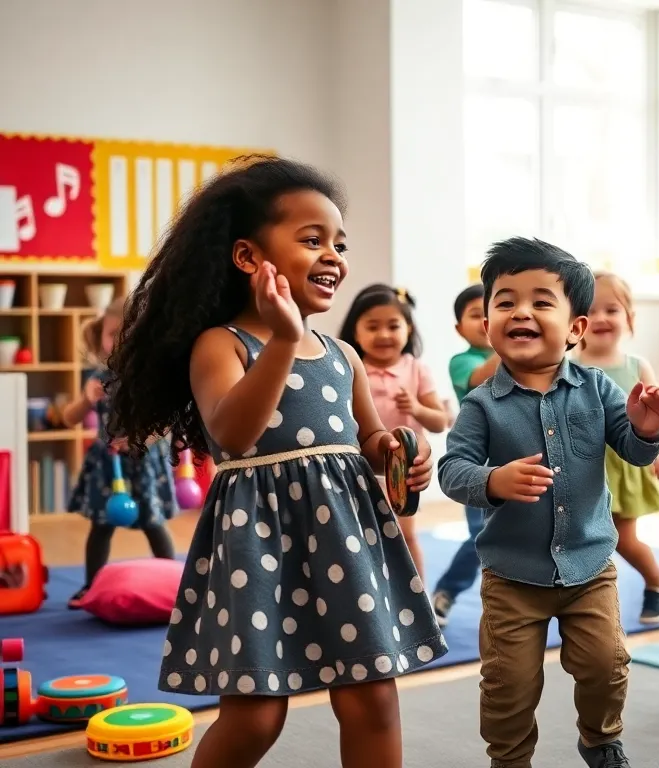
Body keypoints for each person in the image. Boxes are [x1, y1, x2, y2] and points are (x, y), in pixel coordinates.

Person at [107, 157, 441, 768]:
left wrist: (401, 452)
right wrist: (284, 341)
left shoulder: (342, 354)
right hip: (258, 543)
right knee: (258, 715)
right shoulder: (224, 343)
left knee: (373, 701)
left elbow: (369, 441)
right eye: (312, 240)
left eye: (339, 243)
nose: (333, 255)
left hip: (343, 541)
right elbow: (233, 433)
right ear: (247, 258)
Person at [437, 237, 659, 768]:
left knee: (606, 664)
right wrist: (494, 480)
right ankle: (510, 758)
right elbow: (451, 470)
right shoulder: (480, 406)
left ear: (576, 328)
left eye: (541, 301)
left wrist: (647, 428)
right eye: (505, 302)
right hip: (511, 576)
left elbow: (634, 450)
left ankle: (599, 738)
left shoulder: (599, 389)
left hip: (589, 566)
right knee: (507, 683)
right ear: (487, 325)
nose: (521, 311)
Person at [572, 271, 659, 623]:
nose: (601, 318)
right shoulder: (571, 367)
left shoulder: (636, 366)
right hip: (583, 468)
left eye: (611, 310)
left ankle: (657, 580)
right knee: (588, 540)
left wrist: (658, 454)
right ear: (575, 322)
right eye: (591, 310)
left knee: (621, 538)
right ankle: (590, 605)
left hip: (625, 463)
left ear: (629, 318)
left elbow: (658, 414)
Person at [64, 295, 177, 608]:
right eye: (113, 334)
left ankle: (175, 585)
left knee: (154, 524)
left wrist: (143, 438)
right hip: (108, 465)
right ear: (101, 335)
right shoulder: (98, 378)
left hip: (143, 463)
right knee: (101, 526)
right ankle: (91, 587)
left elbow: (166, 422)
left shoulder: (151, 378)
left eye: (129, 335)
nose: (120, 341)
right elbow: (68, 418)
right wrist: (86, 400)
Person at [338, 283, 450, 580]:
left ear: (409, 329)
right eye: (372, 326)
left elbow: (439, 421)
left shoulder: (415, 369)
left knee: (405, 535)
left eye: (393, 325)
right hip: (358, 468)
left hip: (400, 470)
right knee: (360, 536)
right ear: (356, 332)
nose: (384, 334)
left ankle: (419, 600)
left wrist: (416, 408)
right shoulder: (349, 368)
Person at [431, 283, 495, 626]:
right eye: (477, 315)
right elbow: (481, 377)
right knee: (481, 536)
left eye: (493, 311)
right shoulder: (463, 361)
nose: (486, 320)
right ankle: (447, 590)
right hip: (477, 463)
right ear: (459, 329)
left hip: (522, 457)